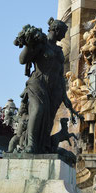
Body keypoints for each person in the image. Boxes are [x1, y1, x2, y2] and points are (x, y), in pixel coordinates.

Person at [16, 18, 81, 153]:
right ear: (56, 30)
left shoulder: (58, 50)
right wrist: (29, 43)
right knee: (38, 110)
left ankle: (43, 145)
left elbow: (59, 75)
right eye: (63, 32)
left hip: (54, 87)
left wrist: (65, 96)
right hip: (38, 82)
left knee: (49, 118)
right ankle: (31, 145)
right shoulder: (41, 44)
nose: (64, 35)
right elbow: (22, 60)